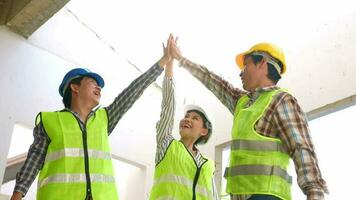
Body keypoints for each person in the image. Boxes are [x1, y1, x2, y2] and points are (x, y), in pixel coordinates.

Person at [10, 36, 173, 200]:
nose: (99, 87)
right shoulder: (49, 122)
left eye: (99, 85)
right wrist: (17, 195)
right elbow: (34, 160)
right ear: (75, 87)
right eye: (92, 82)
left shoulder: (104, 119)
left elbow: (133, 91)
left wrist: (163, 61)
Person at [170, 40, 328, 200]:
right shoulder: (242, 102)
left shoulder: (281, 100)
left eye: (246, 66)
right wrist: (181, 60)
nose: (241, 72)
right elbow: (214, 81)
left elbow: (300, 147)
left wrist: (314, 192)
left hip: (267, 196)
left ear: (262, 63)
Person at [149, 37, 218, 200]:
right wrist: (170, 65)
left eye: (195, 118)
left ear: (204, 131)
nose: (187, 119)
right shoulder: (166, 144)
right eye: (186, 116)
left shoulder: (208, 165)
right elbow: (168, 107)